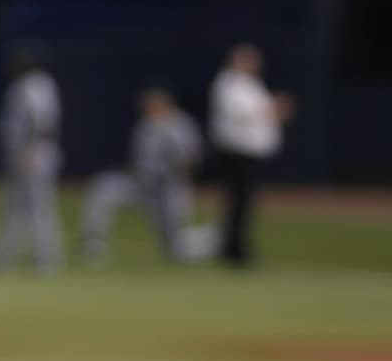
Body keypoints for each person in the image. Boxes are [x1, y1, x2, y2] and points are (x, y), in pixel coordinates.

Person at [80, 86, 202, 263]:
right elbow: (139, 160)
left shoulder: (181, 124)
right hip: (142, 186)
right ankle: (93, 246)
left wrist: (174, 173)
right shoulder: (145, 125)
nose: (146, 108)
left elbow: (191, 158)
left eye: (151, 104)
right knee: (104, 186)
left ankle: (216, 240)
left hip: (169, 190)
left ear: (164, 103)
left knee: (175, 249)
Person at [209, 43, 293, 267]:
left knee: (245, 203)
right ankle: (234, 250)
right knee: (238, 202)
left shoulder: (251, 84)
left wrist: (273, 112)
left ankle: (235, 247)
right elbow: (243, 115)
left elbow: (261, 115)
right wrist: (274, 108)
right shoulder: (228, 83)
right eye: (250, 60)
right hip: (237, 152)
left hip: (251, 153)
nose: (256, 64)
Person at [0, 49, 63, 272]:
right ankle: (6, 257)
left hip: (32, 153)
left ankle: (45, 259)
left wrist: (28, 150)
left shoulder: (32, 84)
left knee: (36, 207)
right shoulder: (41, 84)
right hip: (34, 151)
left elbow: (36, 119)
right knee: (20, 206)